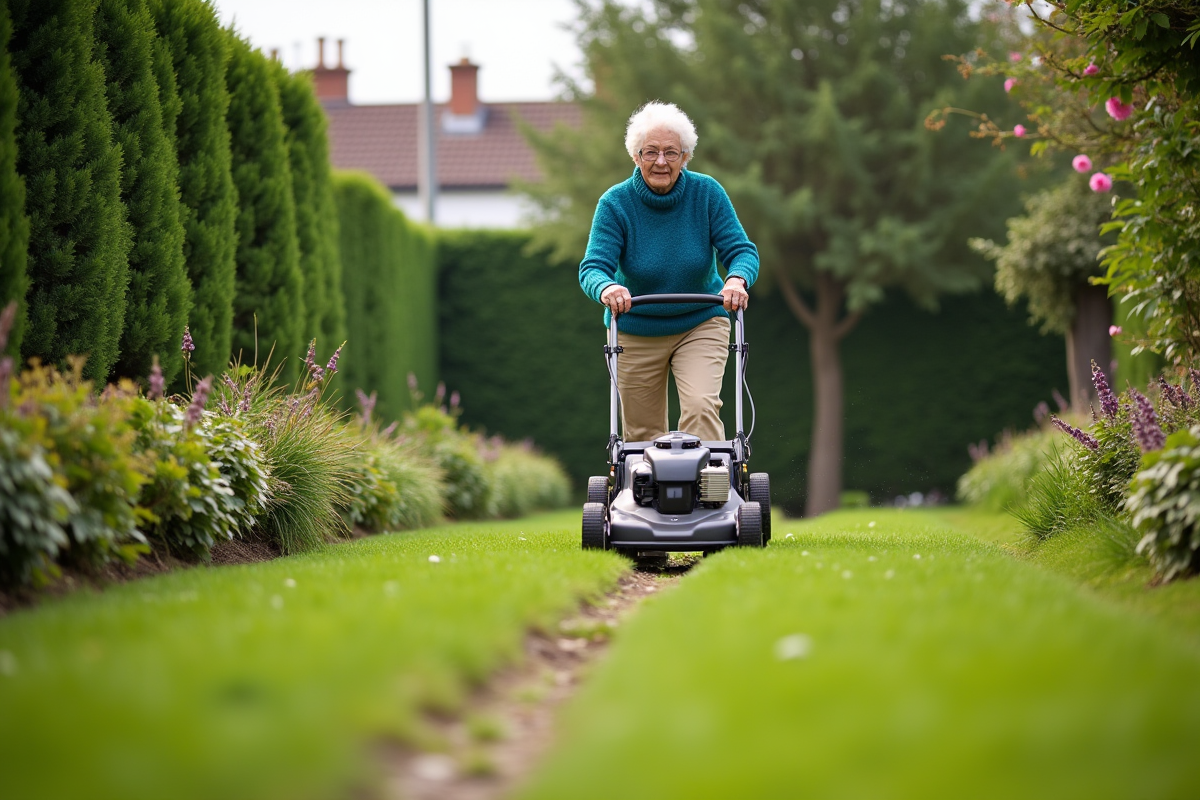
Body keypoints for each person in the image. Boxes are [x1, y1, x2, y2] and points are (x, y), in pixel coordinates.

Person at [578, 101, 760, 442]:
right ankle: (648, 494)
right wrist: (607, 288)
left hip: (700, 321)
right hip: (635, 327)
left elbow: (742, 251)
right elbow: (593, 267)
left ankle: (710, 491)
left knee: (700, 407)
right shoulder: (615, 204)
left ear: (685, 157)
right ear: (636, 156)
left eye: (671, 153)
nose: (661, 161)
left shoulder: (707, 194)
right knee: (642, 434)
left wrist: (737, 278)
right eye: (651, 152)